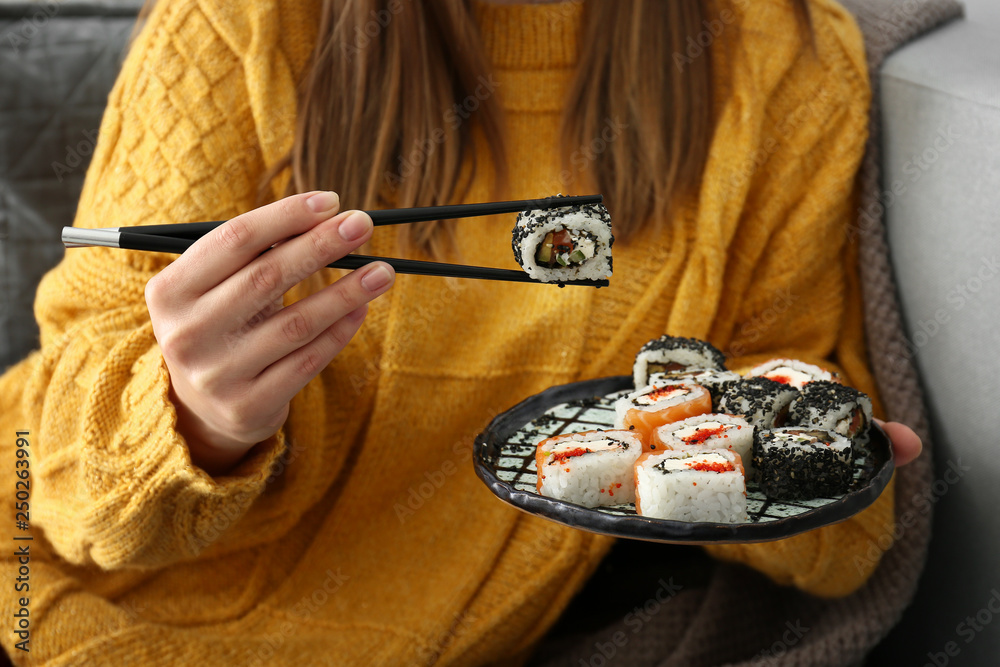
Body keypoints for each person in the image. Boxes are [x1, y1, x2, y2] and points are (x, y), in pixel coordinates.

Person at [0, 0, 922, 664]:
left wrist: (821, 471)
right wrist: (193, 419)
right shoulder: (238, 23)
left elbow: (832, 521)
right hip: (56, 601)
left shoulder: (784, 60)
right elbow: (47, 477)